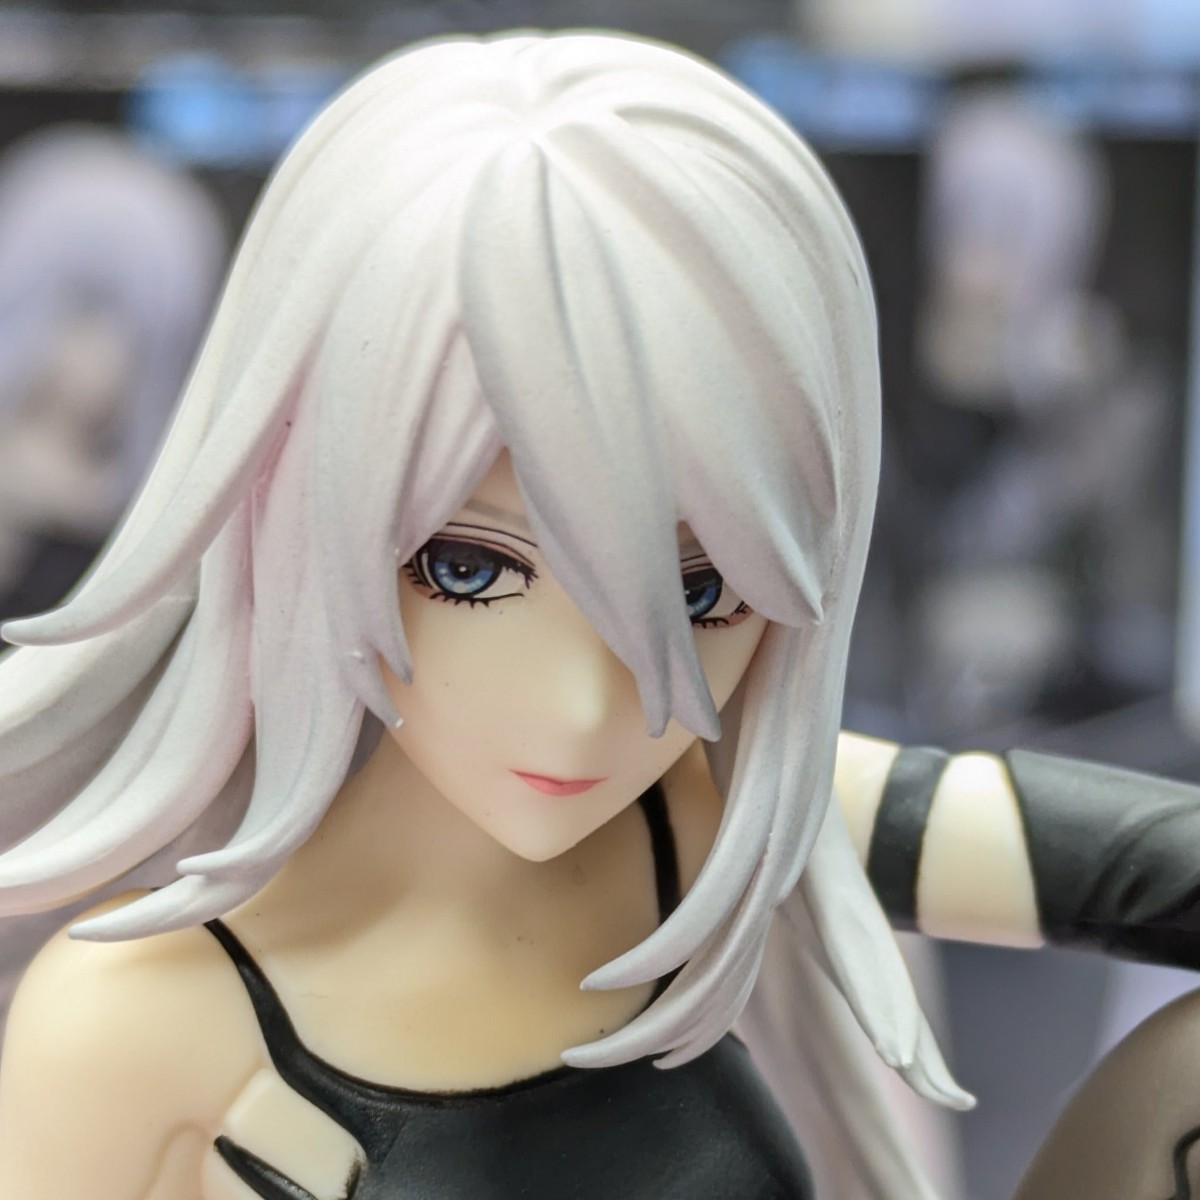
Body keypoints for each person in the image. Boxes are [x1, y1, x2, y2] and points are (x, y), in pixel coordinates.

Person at [0, 31, 966, 1200]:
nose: (583, 708)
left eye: (702, 592)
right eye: (466, 568)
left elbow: (1135, 869)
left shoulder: (727, 820)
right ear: (296, 490)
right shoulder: (130, 1024)